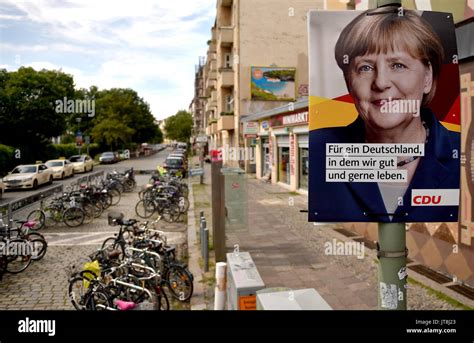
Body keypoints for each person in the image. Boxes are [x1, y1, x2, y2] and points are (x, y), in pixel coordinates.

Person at [309, 7, 460, 223]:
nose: (380, 82)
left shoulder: (461, 154)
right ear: (348, 82)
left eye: (398, 65)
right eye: (365, 68)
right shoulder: (318, 149)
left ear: (427, 76)